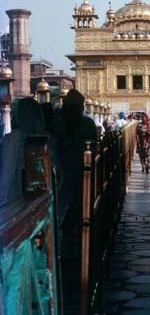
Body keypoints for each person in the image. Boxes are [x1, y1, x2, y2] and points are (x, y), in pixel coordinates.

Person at [53, 89, 98, 257]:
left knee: (74, 207)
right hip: (72, 171)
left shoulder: (59, 123)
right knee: (75, 207)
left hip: (72, 171)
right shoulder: (86, 124)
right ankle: (77, 240)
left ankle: (74, 240)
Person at [0, 97, 45, 207]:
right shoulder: (39, 140)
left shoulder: (15, 138)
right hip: (30, 203)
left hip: (13, 203)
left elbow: (6, 176)